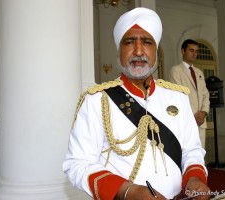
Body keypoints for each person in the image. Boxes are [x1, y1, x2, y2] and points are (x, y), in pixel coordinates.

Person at [63, 7, 210, 200]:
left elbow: (192, 150)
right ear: (119, 51)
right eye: (129, 42)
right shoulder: (97, 101)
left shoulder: (178, 98)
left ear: (155, 51)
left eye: (147, 42)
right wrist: (128, 192)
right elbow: (77, 163)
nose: (139, 51)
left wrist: (194, 178)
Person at [169, 39, 210, 148]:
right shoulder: (176, 71)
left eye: (196, 51)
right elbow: (178, 95)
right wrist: (194, 116)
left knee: (200, 155)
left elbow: (205, 95)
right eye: (191, 50)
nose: (194, 54)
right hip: (187, 121)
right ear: (183, 51)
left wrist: (203, 112)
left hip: (200, 122)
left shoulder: (199, 72)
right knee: (187, 155)